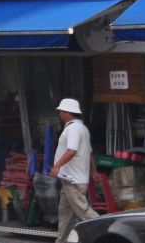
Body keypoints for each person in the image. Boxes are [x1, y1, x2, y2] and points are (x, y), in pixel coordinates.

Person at [49, 98, 98, 243]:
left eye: (61, 111)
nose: (59, 114)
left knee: (84, 212)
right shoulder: (81, 128)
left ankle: (108, 231)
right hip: (70, 179)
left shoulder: (74, 129)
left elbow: (72, 150)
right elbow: (90, 153)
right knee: (65, 214)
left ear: (67, 113)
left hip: (73, 179)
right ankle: (62, 240)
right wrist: (94, 171)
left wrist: (57, 166)